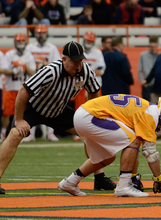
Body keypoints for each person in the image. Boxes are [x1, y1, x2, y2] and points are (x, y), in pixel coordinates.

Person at [0, 41, 115, 194]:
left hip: (59, 110)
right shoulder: (50, 71)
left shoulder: (85, 71)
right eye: (74, 61)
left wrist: (90, 115)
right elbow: (23, 91)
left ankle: (99, 178)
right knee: (14, 134)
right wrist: (19, 120)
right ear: (64, 59)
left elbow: (94, 92)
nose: (78, 65)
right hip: (35, 108)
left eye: (80, 60)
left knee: (90, 133)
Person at [58, 94, 161, 197]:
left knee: (107, 157)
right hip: (91, 115)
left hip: (84, 114)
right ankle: (123, 186)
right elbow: (150, 153)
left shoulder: (147, 108)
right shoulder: (150, 114)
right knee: (133, 139)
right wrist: (159, 178)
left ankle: (70, 182)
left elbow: (135, 150)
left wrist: (133, 176)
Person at [23, 23, 61, 142]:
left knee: (50, 107)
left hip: (49, 81)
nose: (41, 34)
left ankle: (50, 132)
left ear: (46, 33)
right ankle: (30, 134)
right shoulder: (29, 47)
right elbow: (27, 63)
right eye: (39, 32)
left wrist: (45, 64)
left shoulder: (52, 48)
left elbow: (58, 65)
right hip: (33, 79)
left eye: (43, 32)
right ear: (35, 34)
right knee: (31, 107)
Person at [1, 33, 36, 141]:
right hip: (11, 87)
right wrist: (14, 70)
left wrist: (24, 66)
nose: (20, 43)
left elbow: (33, 72)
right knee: (7, 113)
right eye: (18, 41)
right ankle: (2, 133)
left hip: (24, 89)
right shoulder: (10, 54)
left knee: (26, 113)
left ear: (25, 42)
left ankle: (28, 134)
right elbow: (4, 70)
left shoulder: (29, 55)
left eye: (21, 41)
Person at [138, 36, 159, 101]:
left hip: (157, 85)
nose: (153, 45)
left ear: (157, 44)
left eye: (154, 42)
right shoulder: (143, 55)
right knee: (146, 106)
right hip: (146, 85)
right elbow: (139, 70)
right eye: (151, 42)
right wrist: (142, 81)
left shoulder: (160, 56)